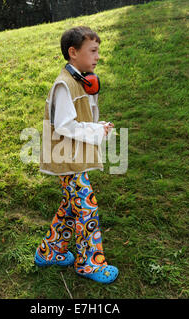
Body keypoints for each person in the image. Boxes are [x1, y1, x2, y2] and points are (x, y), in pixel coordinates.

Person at [35, 26, 118, 284]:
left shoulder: (79, 80)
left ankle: (49, 251)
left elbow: (78, 118)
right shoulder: (64, 84)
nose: (97, 56)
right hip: (66, 159)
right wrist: (96, 130)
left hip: (72, 158)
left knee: (72, 208)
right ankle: (89, 264)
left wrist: (98, 126)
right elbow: (65, 126)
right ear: (73, 52)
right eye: (92, 51)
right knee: (87, 207)